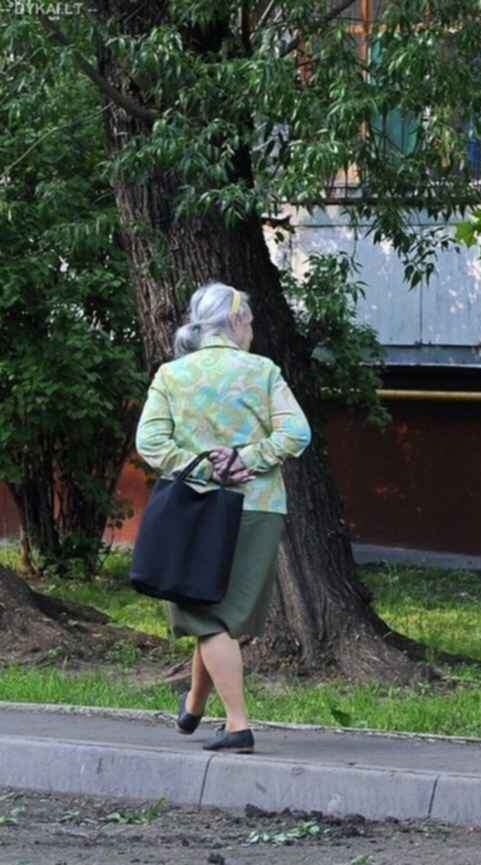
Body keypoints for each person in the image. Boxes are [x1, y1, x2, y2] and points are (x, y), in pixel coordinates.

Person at [135, 281, 311, 753]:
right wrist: (247, 458)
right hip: (257, 508)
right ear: (234, 322)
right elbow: (297, 434)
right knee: (215, 614)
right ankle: (193, 705)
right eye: (249, 320)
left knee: (206, 615)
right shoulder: (263, 372)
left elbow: (150, 444)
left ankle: (238, 726)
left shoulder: (173, 375)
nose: (251, 329)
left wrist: (202, 466)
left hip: (194, 509)